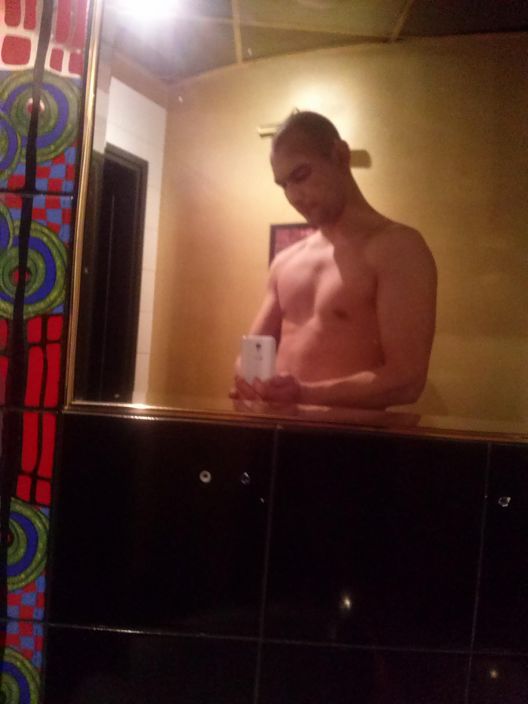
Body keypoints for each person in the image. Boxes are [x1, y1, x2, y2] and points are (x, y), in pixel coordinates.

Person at [231, 111, 437, 409]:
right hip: (272, 431)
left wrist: (302, 395)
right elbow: (249, 356)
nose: (294, 195)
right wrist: (251, 384)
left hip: (344, 437)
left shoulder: (397, 248)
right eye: (283, 185)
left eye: (300, 175)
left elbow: (407, 381)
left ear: (340, 155)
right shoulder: (286, 261)